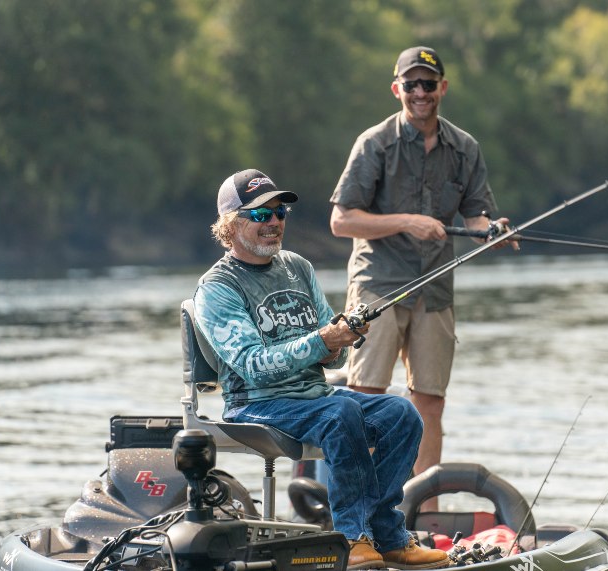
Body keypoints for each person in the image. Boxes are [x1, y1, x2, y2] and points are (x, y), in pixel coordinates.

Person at [193, 168, 451, 570]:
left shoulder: (297, 266)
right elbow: (252, 366)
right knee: (342, 412)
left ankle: (386, 532)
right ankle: (351, 537)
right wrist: (322, 342)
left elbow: (334, 355)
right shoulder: (217, 288)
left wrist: (341, 339)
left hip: (315, 397)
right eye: (262, 215)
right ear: (231, 225)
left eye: (280, 213)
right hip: (256, 403)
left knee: (402, 413)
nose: (275, 222)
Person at [330, 46, 513, 486]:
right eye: (410, 84)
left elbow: (476, 218)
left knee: (429, 400)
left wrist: (494, 230)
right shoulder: (374, 144)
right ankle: (362, 501)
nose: (420, 93)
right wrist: (406, 222)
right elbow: (341, 220)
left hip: (435, 290)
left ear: (442, 88)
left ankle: (421, 508)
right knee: (367, 395)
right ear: (397, 90)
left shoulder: (465, 148)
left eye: (428, 84)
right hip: (379, 283)